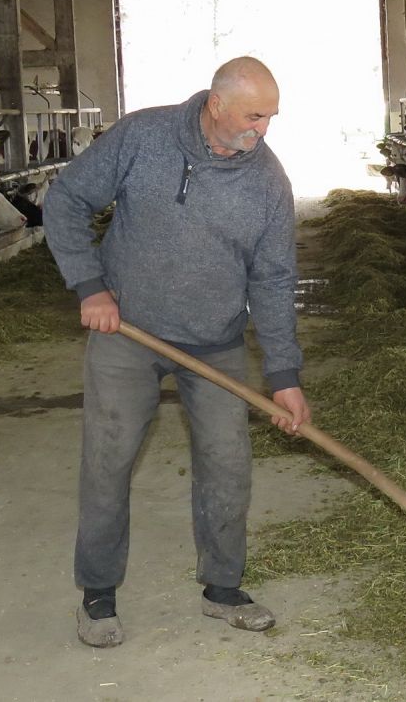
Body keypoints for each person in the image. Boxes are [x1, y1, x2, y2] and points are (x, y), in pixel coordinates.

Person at [45, 56, 310, 648]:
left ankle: (223, 589)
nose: (262, 129)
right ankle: (98, 593)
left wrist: (284, 374)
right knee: (108, 460)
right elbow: (65, 200)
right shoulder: (144, 136)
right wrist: (90, 285)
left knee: (227, 462)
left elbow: (272, 279)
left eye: (270, 118)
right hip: (127, 334)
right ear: (217, 104)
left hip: (215, 342)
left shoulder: (268, 181)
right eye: (253, 116)